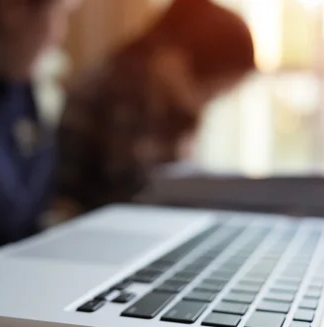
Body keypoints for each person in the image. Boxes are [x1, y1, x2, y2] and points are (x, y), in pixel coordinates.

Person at [0, 0, 254, 288]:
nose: (60, 37)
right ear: (12, 7)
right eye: (63, 13)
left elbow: (25, 219)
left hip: (4, 290)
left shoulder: (13, 87)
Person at [55, 0, 255, 216]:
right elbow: (132, 191)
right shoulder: (120, 92)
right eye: (208, 91)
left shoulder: (167, 101)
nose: (204, 104)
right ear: (174, 58)